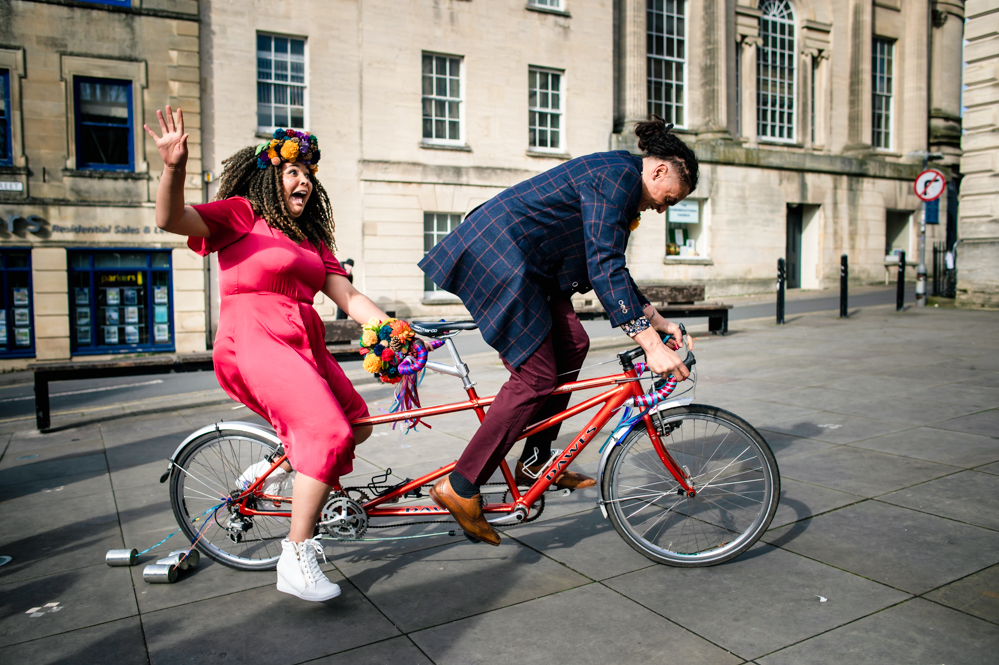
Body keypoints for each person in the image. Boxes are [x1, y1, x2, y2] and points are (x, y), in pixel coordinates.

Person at [145, 107, 390, 601]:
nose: (303, 180)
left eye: (308, 174)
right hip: (254, 335)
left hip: (304, 339)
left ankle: (271, 470)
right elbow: (171, 218)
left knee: (356, 423)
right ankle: (295, 556)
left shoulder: (311, 239)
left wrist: (393, 329)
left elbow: (347, 295)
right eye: (292, 170)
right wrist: (174, 168)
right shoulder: (242, 214)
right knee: (326, 432)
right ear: (270, 178)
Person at [419, 116, 699, 546]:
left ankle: (536, 461)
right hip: (500, 256)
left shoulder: (619, 178)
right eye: (668, 199)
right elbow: (605, 264)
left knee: (574, 344)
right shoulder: (618, 179)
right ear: (659, 171)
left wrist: (659, 324)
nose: (662, 209)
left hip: (530, 267)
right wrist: (648, 343)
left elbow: (603, 262)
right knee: (535, 378)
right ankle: (460, 485)